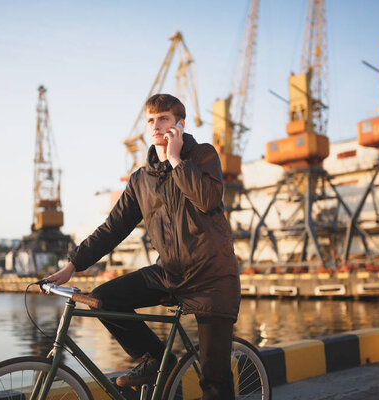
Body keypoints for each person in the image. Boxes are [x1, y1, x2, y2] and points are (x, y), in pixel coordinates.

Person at [46, 93, 240, 399]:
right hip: (169, 273)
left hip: (212, 276)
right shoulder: (141, 179)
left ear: (180, 124)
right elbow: (114, 227)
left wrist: (176, 159)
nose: (156, 125)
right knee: (104, 299)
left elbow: (208, 200)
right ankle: (156, 358)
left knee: (214, 382)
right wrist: (73, 264)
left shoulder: (202, 155)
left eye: (163, 118)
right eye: (151, 120)